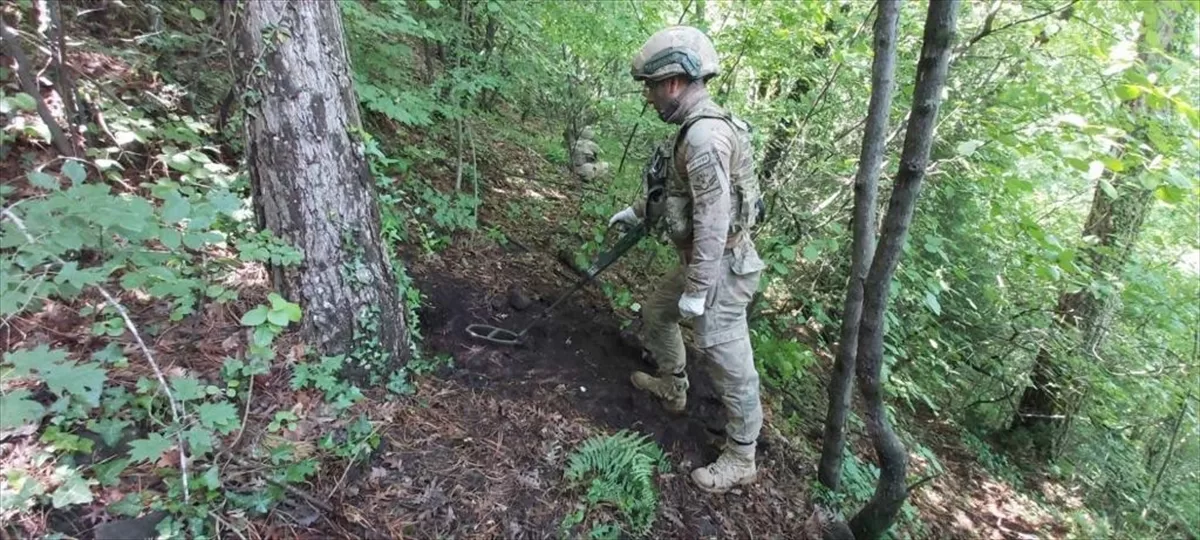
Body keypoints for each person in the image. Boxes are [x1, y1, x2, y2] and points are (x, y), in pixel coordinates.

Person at [608, 25, 767, 494]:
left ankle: (742, 455)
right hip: (702, 260)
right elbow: (683, 196)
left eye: (652, 87)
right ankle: (673, 387)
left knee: (727, 359)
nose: (650, 97)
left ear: (673, 82)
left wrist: (698, 290)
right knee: (657, 313)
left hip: (720, 267)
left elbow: (715, 222)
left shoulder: (704, 138)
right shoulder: (695, 130)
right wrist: (638, 211)